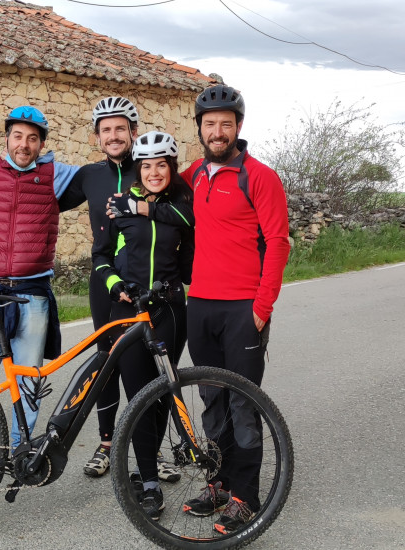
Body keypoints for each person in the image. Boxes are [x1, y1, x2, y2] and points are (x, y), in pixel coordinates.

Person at [177, 84, 290, 535]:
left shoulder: (259, 177)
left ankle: (247, 496)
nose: (218, 131)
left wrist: (262, 307)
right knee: (211, 401)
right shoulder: (193, 176)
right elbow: (162, 197)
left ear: (238, 128)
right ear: (200, 129)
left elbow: (279, 242)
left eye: (226, 123)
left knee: (243, 404)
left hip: (244, 306)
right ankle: (219, 484)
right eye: (210, 124)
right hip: (200, 305)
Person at [59, 97, 191, 479]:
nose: (114, 136)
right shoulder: (89, 176)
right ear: (97, 136)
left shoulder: (149, 169)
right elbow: (44, 200)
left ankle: (154, 450)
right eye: (106, 130)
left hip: (153, 287)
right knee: (107, 364)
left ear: (133, 132)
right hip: (108, 286)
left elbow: (187, 210)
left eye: (121, 128)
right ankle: (106, 443)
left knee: (158, 372)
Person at [0, 106, 78, 449]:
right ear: (6, 137)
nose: (24, 144)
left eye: (32, 138)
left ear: (41, 144)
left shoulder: (57, 174)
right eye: (18, 136)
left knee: (29, 378)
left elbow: (98, 175)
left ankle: (20, 445)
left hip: (32, 293)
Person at [92, 131, 194, 520]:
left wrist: (145, 210)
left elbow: (190, 220)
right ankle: (148, 480)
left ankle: (145, 464)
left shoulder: (182, 204)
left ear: (171, 168)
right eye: (146, 165)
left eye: (161, 165)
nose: (153, 172)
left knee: (163, 392)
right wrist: (115, 283)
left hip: (169, 309)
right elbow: (100, 256)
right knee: (139, 395)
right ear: (138, 168)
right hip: (130, 310)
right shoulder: (117, 204)